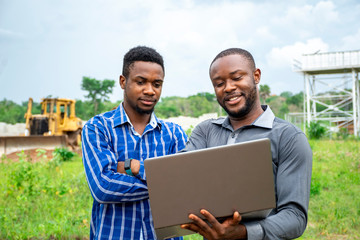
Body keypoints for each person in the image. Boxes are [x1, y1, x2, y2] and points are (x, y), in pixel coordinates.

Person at [180, 48, 312, 240]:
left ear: (256, 76)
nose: (228, 87)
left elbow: (295, 217)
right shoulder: (205, 131)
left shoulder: (289, 138)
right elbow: (181, 175)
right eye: (219, 83)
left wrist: (244, 233)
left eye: (237, 78)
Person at [82, 46, 187, 240]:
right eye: (141, 82)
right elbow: (103, 188)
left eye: (157, 84)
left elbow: (187, 186)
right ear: (123, 82)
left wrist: (133, 168)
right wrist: (165, 184)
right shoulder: (98, 128)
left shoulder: (174, 134)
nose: (149, 90)